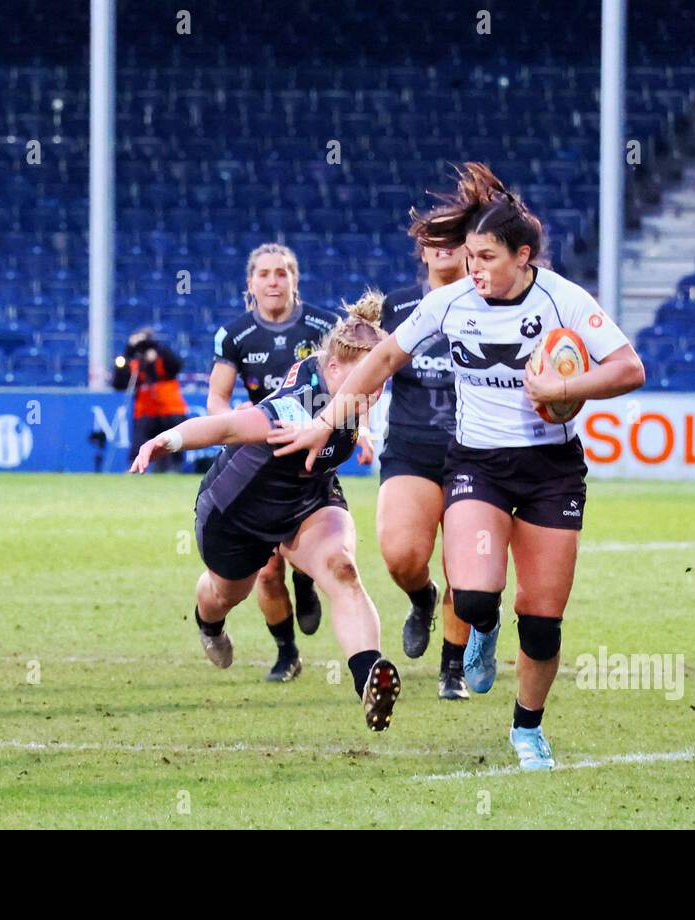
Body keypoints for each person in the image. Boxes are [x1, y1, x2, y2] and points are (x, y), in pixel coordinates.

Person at [270, 164, 645, 769]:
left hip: (552, 471)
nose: (474, 269)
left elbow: (630, 368)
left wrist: (564, 384)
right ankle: (482, 624)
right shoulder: (449, 303)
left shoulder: (563, 299)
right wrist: (329, 419)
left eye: (488, 258)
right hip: (478, 465)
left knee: (543, 621)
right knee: (471, 599)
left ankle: (527, 729)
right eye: (470, 256)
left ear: (523, 257)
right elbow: (385, 356)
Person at [131, 292, 401, 730]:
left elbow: (356, 397)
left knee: (342, 569)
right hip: (239, 511)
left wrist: (364, 431)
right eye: (368, 380)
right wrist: (168, 441)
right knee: (223, 594)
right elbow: (228, 426)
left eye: (380, 380)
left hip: (307, 497)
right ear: (335, 370)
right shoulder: (292, 411)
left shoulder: (346, 383)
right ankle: (209, 626)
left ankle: (368, 681)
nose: (375, 389)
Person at [205, 242, 355, 682]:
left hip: (312, 456)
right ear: (250, 285)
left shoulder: (326, 327)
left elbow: (354, 383)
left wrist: (357, 429)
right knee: (266, 571)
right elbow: (217, 398)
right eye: (265, 274)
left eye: (282, 273)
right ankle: (286, 653)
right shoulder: (234, 336)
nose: (274, 281)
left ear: (294, 280)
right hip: (262, 460)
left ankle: (305, 580)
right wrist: (236, 430)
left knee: (318, 550)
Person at [375, 242, 472, 699]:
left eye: (456, 238)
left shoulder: (489, 303)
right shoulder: (397, 306)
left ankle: (452, 670)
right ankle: (421, 598)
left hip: (474, 451)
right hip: (411, 447)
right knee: (401, 557)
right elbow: (372, 365)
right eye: (435, 240)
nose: (446, 248)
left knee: (467, 568)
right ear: (422, 252)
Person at [113, 327, 188, 473]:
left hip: (169, 408)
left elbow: (176, 365)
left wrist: (154, 349)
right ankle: (136, 470)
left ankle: (175, 470)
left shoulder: (162, 354)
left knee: (174, 442)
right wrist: (128, 351)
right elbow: (119, 383)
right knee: (139, 443)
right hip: (145, 410)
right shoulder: (133, 360)